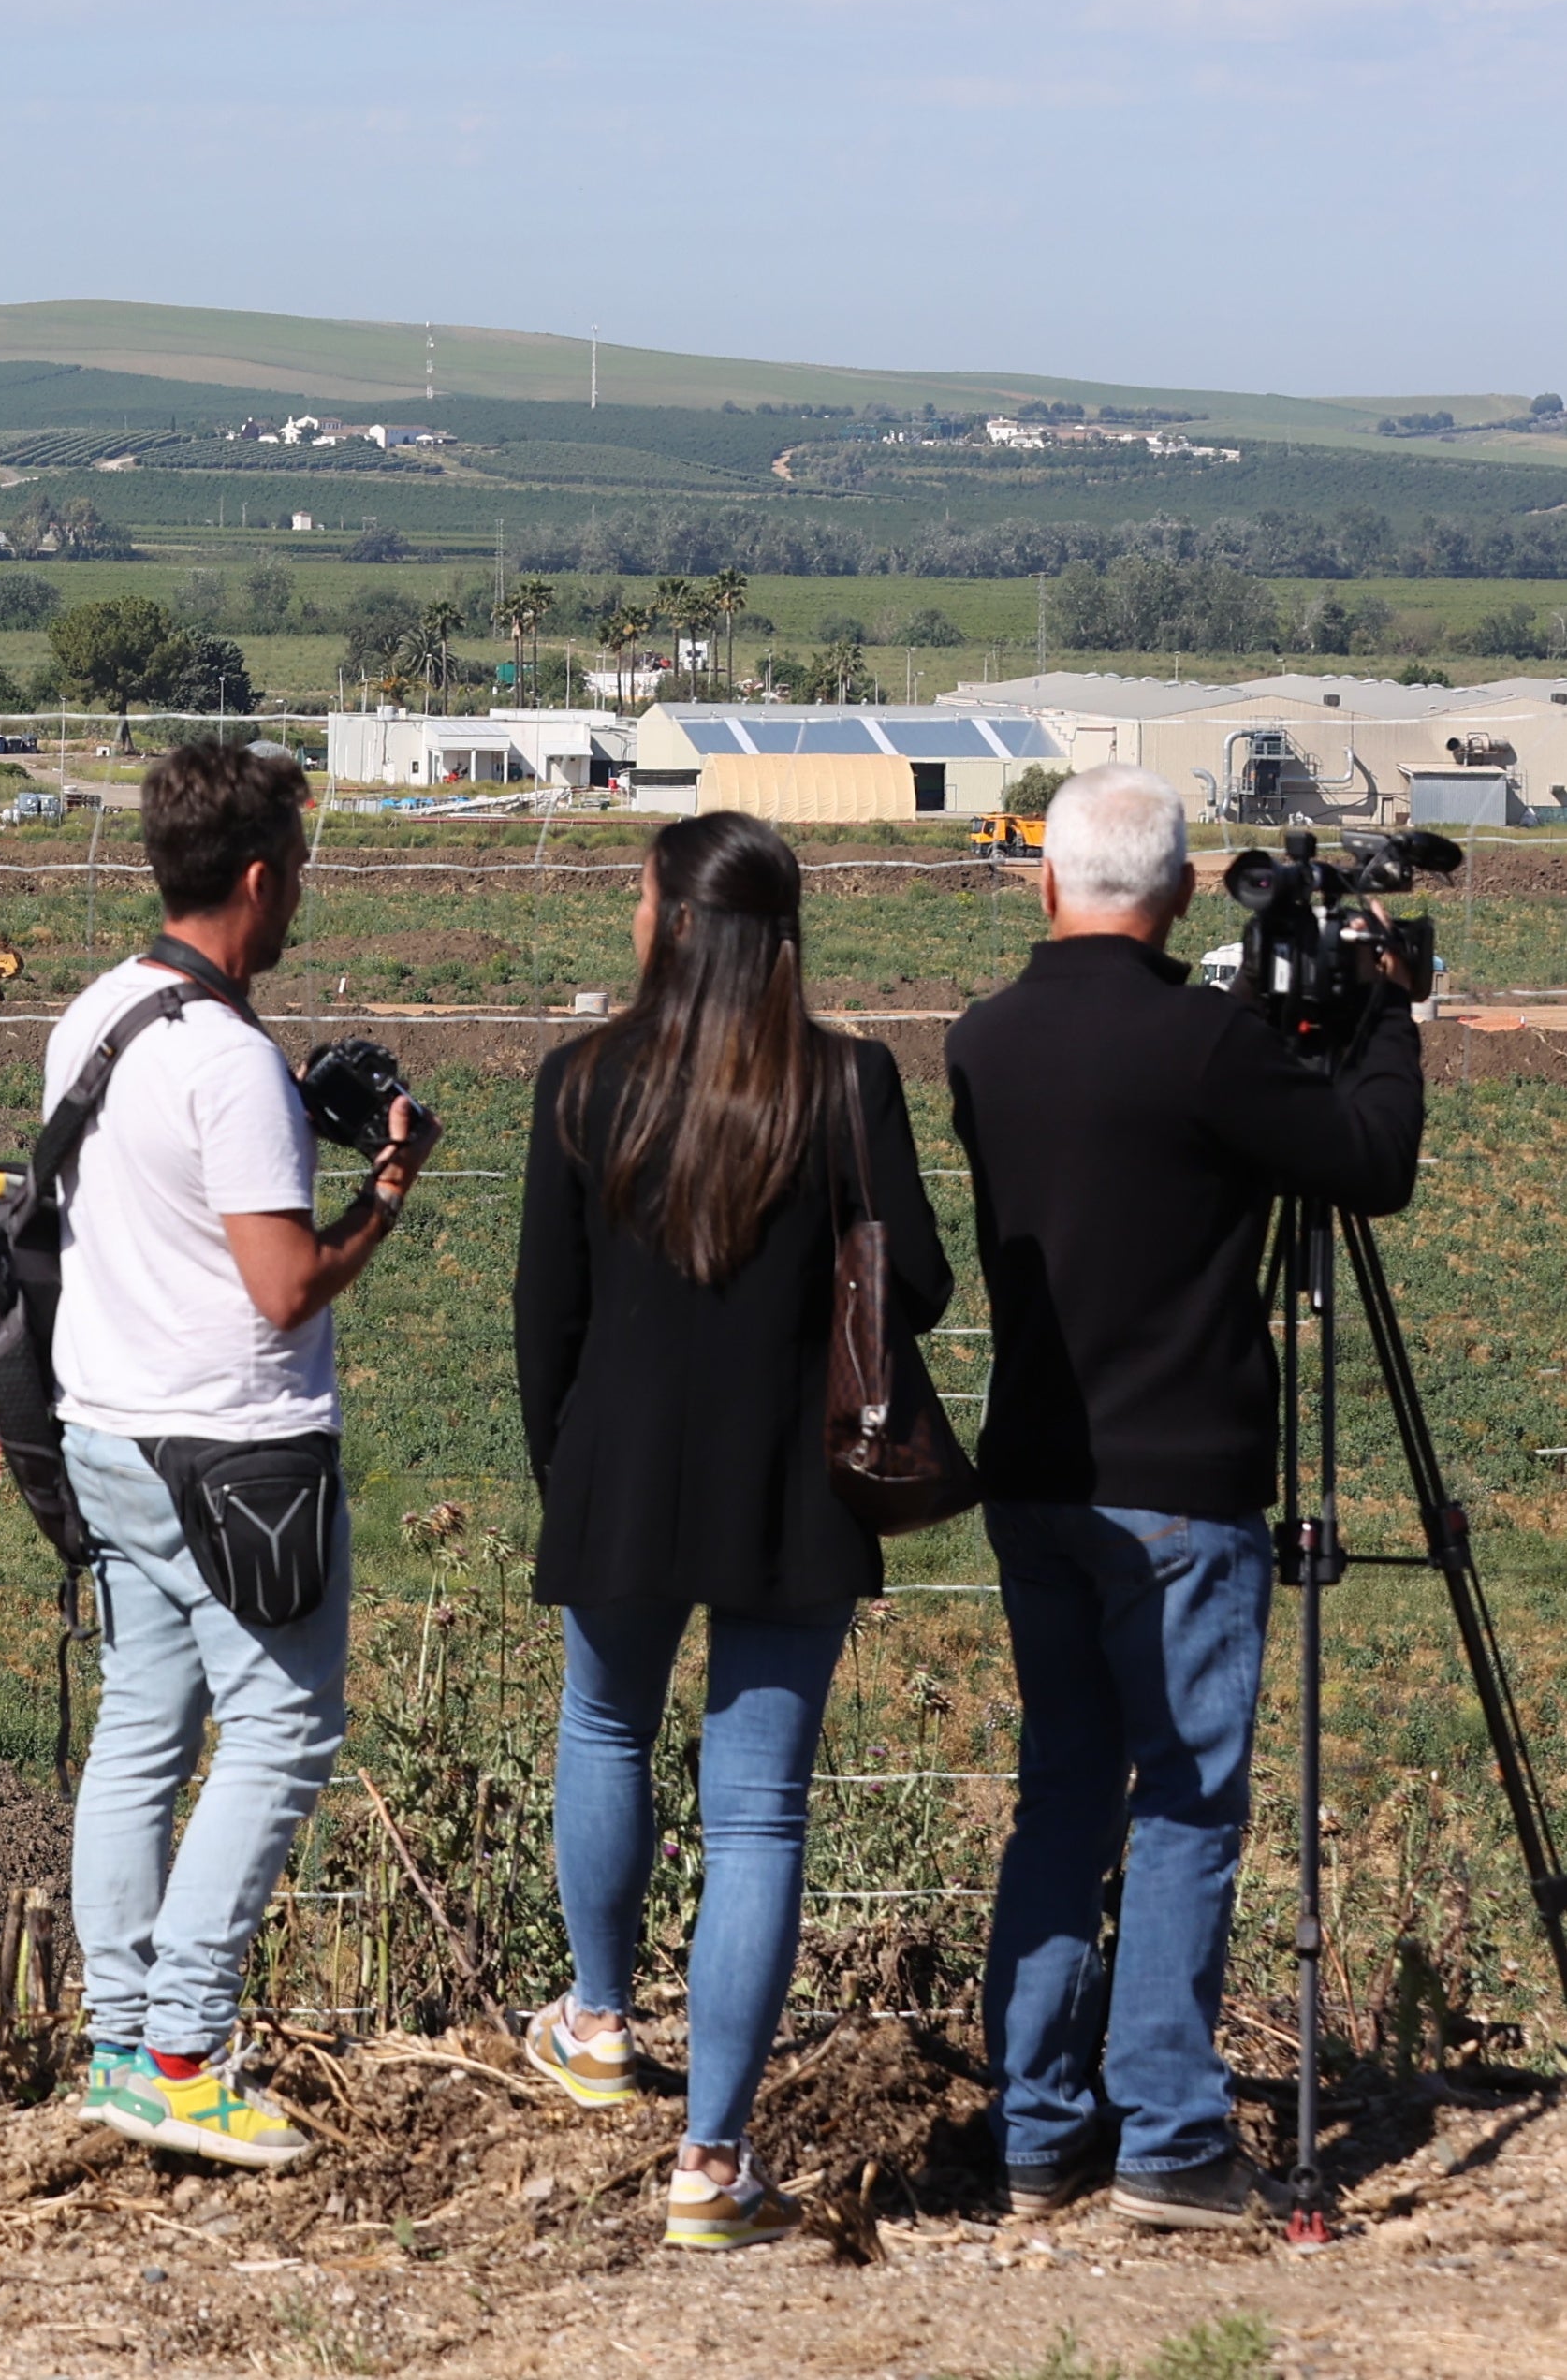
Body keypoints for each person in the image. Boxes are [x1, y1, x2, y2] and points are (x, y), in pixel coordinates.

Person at [948, 760, 1421, 2231]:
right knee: (1189, 1805)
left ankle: (1038, 2126)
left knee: (1064, 1798)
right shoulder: (1206, 1046)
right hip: (1185, 1486)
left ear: (1046, 882)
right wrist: (1382, 1012)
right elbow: (1367, 1164)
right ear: (1170, 900)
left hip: (1034, 1478)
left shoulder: (981, 1041)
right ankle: (1167, 2133)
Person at [513, 814, 952, 2248]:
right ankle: (712, 2164)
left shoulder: (580, 1082)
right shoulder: (848, 1082)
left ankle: (594, 2021)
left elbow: (546, 1317)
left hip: (621, 1476)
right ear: (780, 938)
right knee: (757, 1810)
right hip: (795, 1488)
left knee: (605, 1730)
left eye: (639, 899)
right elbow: (922, 1283)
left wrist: (565, 1475)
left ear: (673, 924)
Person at [55, 739, 425, 2171]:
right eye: (300, 878)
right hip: (240, 1456)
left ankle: (116, 2038)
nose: (299, 903)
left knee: (143, 1723)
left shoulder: (99, 1016)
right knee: (281, 1729)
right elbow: (281, 1288)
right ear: (259, 879)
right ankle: (188, 2051)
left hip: (108, 1434)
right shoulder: (230, 1066)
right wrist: (382, 1197)